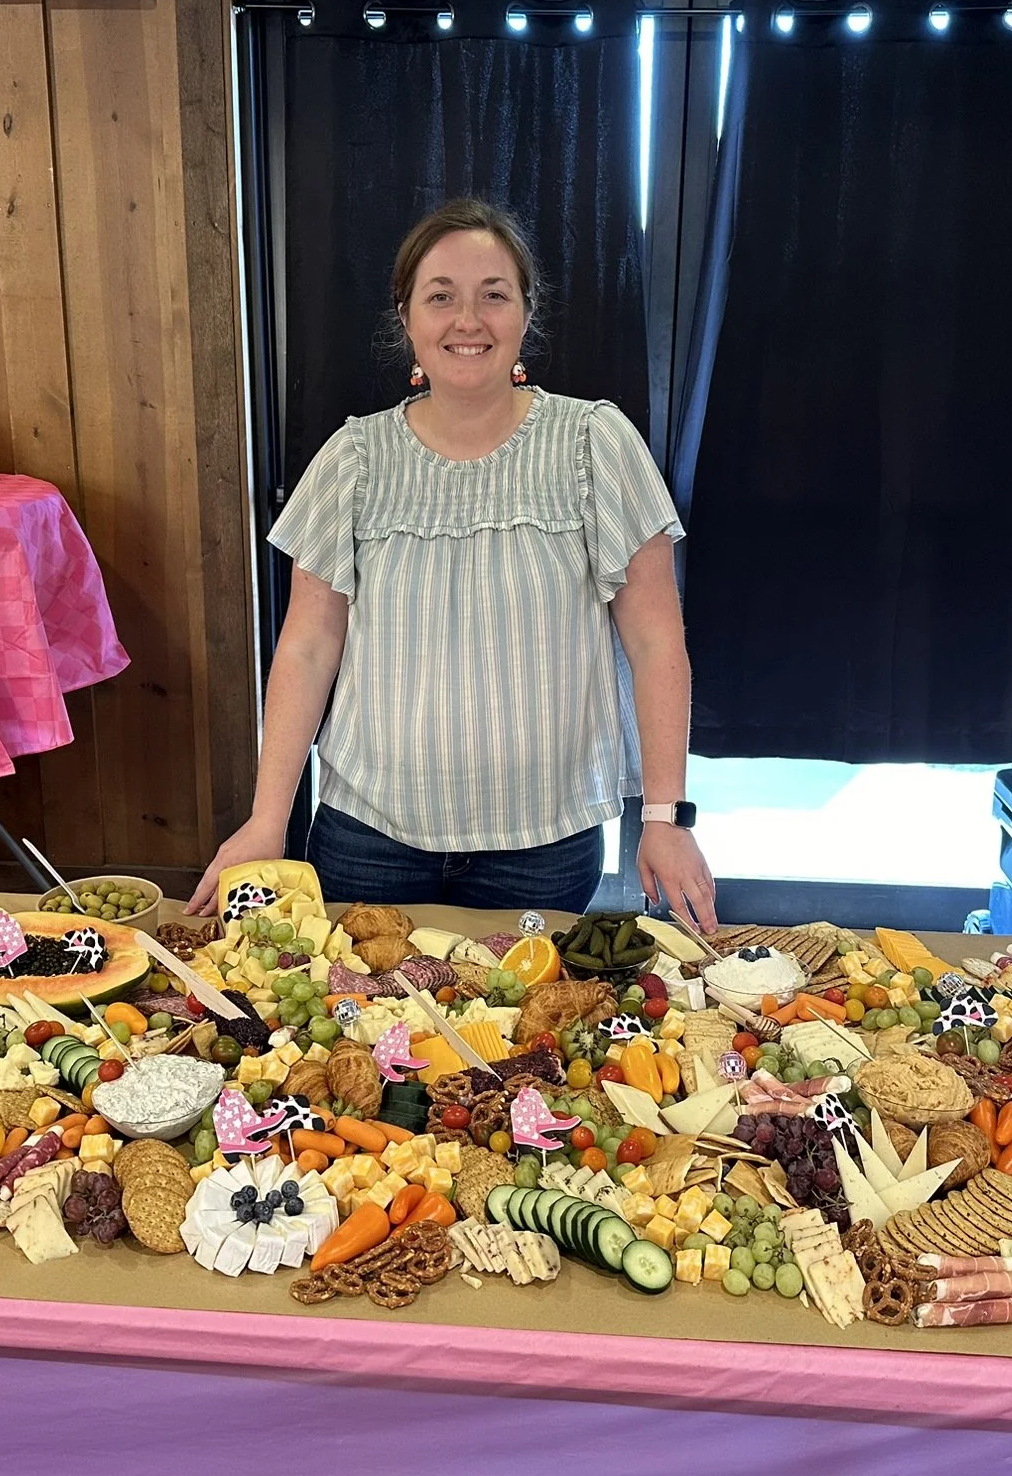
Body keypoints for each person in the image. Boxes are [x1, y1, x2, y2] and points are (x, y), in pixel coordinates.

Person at [187, 199, 717, 931]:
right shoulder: (354, 459)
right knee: (372, 1036)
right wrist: (267, 820)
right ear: (405, 317)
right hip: (366, 839)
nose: (468, 320)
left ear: (525, 313)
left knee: (518, 1037)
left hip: (542, 845)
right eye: (442, 297)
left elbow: (657, 640)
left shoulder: (595, 443)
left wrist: (665, 816)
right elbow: (308, 648)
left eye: (493, 295)